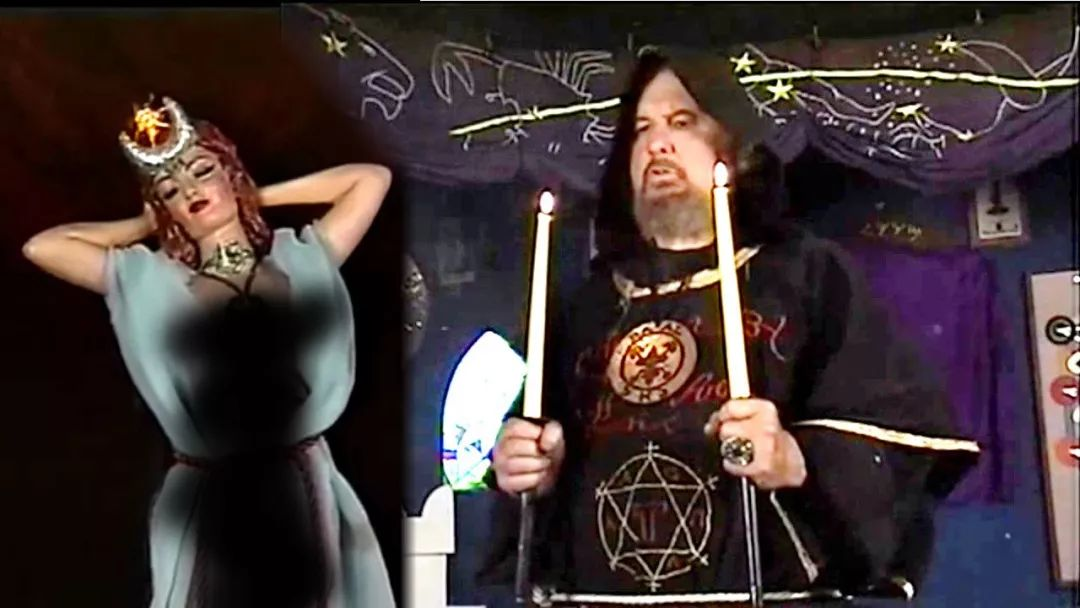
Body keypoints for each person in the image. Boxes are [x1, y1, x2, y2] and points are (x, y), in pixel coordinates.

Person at [481, 50, 979, 605]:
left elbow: (893, 434)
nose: (657, 143)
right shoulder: (587, 304)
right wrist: (528, 467)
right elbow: (536, 454)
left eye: (682, 121)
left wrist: (795, 458)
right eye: (640, 129)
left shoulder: (805, 275)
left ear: (736, 154)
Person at [22, 96, 396, 608]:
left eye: (202, 172)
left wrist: (253, 194)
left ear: (229, 173)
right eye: (171, 191)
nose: (191, 191)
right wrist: (144, 224)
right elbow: (44, 246)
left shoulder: (302, 260)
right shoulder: (151, 282)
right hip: (213, 497)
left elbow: (371, 179)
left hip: (303, 487)